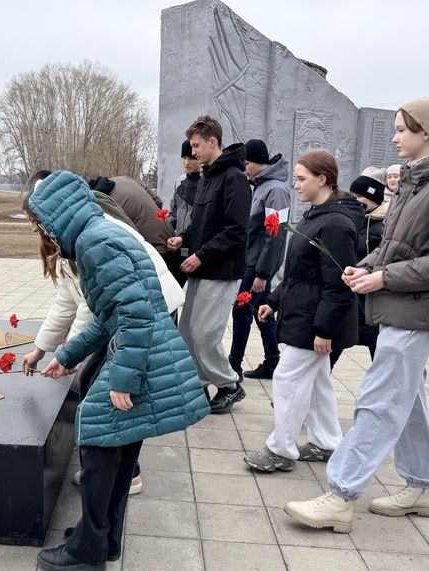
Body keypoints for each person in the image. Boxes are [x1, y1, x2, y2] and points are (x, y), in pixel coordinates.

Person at [284, 96, 429, 534]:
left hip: (416, 310)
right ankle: (421, 485)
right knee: (409, 398)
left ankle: (341, 494)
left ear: (428, 133)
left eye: (402, 129)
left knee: (379, 399)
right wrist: (366, 267)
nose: (395, 137)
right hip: (403, 306)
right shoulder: (418, 180)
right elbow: (393, 247)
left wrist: (385, 278)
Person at [27, 170, 209, 569]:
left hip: (141, 352)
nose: (41, 230)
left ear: (57, 215)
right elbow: (108, 316)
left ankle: (88, 551)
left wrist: (124, 378)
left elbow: (135, 313)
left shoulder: (94, 243)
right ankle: (103, 538)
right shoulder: (97, 234)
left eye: (41, 221)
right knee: (119, 450)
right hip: (145, 347)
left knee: (98, 439)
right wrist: (67, 356)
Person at [21, 174, 186, 498]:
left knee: (117, 394)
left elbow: (94, 307)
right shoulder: (71, 233)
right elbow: (68, 300)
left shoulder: (92, 236)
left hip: (148, 315)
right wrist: (42, 349)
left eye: (34, 219)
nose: (33, 227)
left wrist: (72, 355)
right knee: (100, 388)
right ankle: (109, 475)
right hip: (130, 317)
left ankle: (122, 477)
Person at [243, 150, 363, 472]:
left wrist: (325, 330)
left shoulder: (335, 224)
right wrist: (274, 301)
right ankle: (327, 442)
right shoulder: (316, 216)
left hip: (315, 320)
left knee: (288, 378)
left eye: (301, 179)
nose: (295, 185)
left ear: (322, 179)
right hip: (307, 312)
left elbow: (338, 284)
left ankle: (280, 450)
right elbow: (299, 273)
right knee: (318, 381)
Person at [167, 115, 251, 414]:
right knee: (188, 332)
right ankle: (198, 385)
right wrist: (184, 237)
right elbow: (201, 223)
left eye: (196, 146)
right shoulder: (208, 177)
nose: (193, 152)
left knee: (205, 334)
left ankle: (229, 385)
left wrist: (201, 255)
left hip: (221, 270)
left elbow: (236, 231)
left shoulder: (234, 178)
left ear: (212, 142)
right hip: (201, 267)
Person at [229, 139, 291, 381]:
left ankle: (233, 366)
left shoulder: (276, 190)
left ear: (258, 163)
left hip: (257, 267)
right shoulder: (262, 186)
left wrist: (263, 274)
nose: (244, 169)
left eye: (246, 164)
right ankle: (273, 361)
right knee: (262, 312)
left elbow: (275, 235)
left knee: (240, 311)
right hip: (253, 262)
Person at [328, 167, 388, 370]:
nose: (356, 199)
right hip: (349, 300)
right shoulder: (353, 220)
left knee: (382, 366)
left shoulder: (384, 226)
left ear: (374, 197)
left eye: (361, 196)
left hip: (372, 305)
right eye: (353, 194)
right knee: (327, 357)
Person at [168, 140, 201, 286]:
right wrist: (167, 227)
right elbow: (174, 211)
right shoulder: (179, 181)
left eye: (191, 158)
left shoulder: (207, 182)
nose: (187, 162)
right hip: (178, 245)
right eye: (184, 158)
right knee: (174, 286)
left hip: (198, 246)